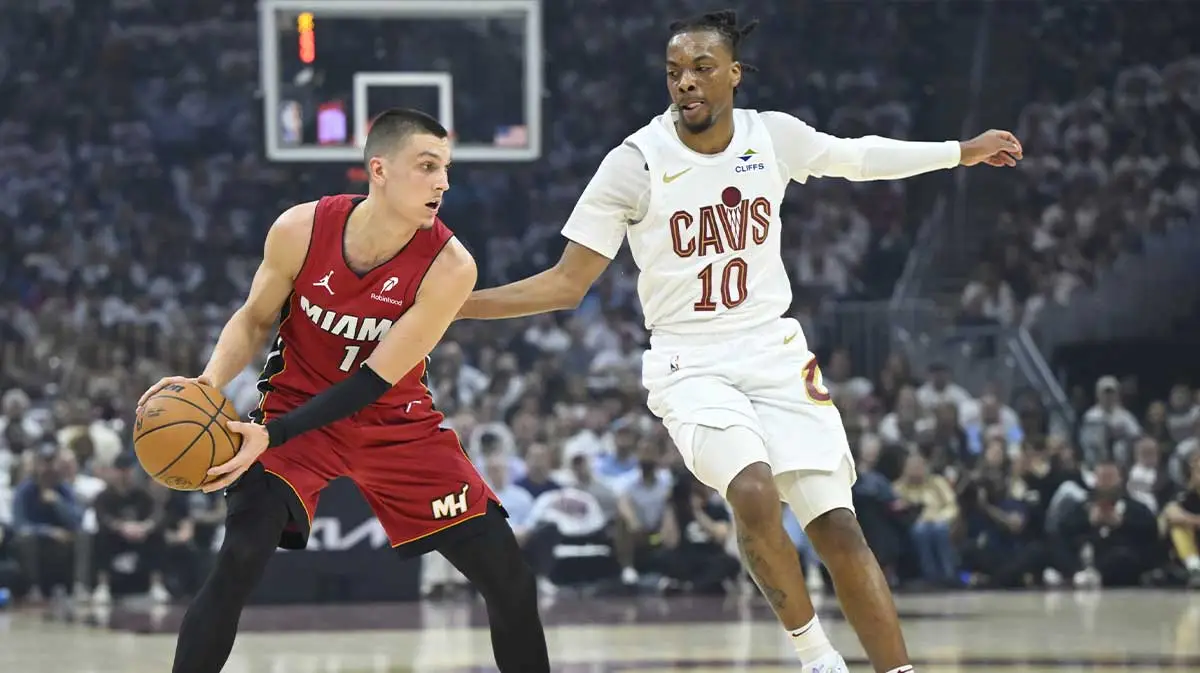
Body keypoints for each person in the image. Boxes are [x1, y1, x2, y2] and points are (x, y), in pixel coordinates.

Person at [457, 10, 1023, 673]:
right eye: (674, 71)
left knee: (839, 528)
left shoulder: (771, 136)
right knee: (752, 490)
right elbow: (565, 283)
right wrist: (456, 306)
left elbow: (858, 156)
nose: (686, 82)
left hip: (775, 352)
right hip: (690, 362)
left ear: (733, 74)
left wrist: (960, 151)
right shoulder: (635, 162)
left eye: (701, 68)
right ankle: (817, 658)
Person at [137, 108, 550, 673]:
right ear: (379, 169)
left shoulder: (451, 267)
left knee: (510, 582)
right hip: (295, 410)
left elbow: (373, 380)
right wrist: (208, 384)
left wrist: (271, 434)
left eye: (446, 168)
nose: (443, 183)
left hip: (394, 424)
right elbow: (254, 318)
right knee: (239, 559)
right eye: (427, 166)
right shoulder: (300, 229)